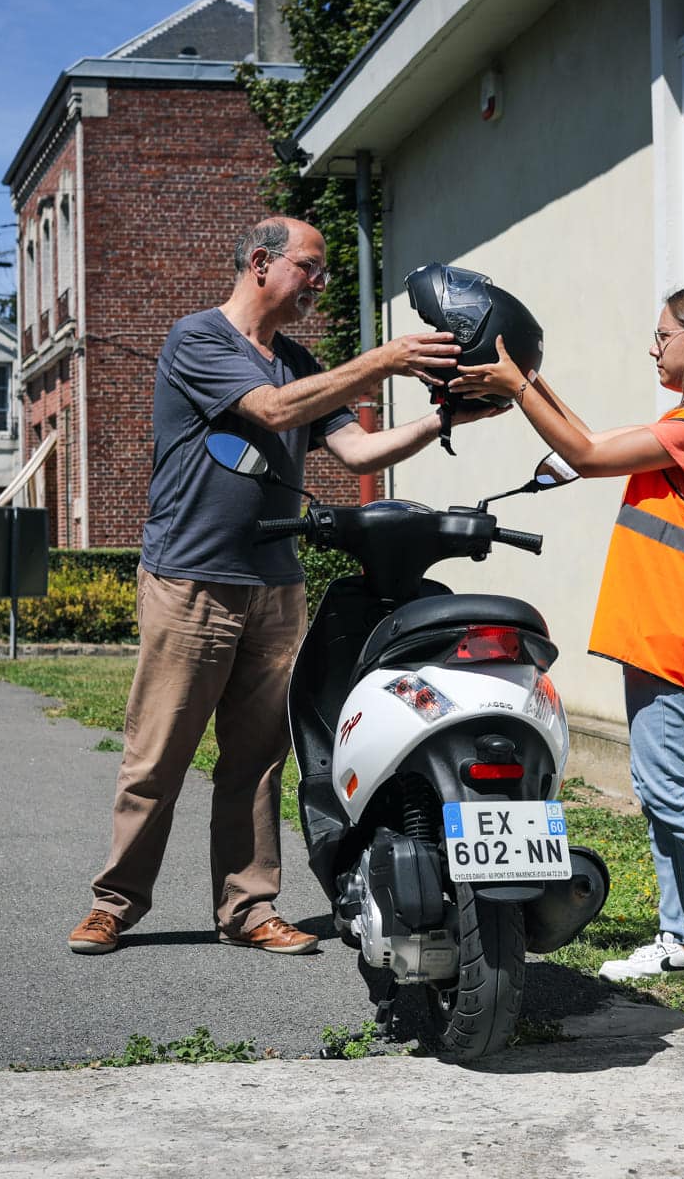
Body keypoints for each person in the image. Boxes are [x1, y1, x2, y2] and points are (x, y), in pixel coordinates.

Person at [68, 216, 480, 957]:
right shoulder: (197, 341)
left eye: (323, 274)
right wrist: (382, 361)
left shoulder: (299, 361)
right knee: (157, 756)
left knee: (258, 759)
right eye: (310, 270)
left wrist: (441, 418)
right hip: (191, 581)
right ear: (261, 263)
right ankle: (116, 902)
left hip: (274, 587)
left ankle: (250, 910)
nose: (319, 285)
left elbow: (357, 446)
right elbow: (270, 411)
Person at [449, 284, 684, 1022]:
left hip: (672, 624)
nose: (653, 348)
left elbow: (584, 453)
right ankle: (683, 939)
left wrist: (518, 384)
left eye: (663, 337)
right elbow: (587, 445)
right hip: (654, 621)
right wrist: (525, 373)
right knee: (658, 789)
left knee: (672, 788)